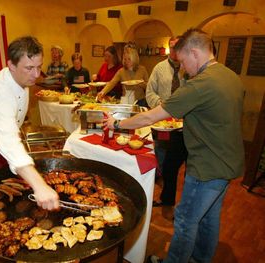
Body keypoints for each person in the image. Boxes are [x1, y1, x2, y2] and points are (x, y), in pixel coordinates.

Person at [103, 28, 244, 263]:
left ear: (195, 52)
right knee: (209, 219)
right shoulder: (231, 76)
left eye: (183, 61)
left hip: (206, 167)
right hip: (229, 162)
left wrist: (117, 124)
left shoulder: (199, 84)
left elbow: (150, 117)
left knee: (185, 220)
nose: (182, 68)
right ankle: (199, 260)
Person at [0, 36, 59, 211]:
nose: (36, 74)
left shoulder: (22, 77)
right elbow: (6, 139)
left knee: (14, 184)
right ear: (11, 65)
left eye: (39, 67)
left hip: (0, 142)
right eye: (30, 68)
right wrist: (39, 185)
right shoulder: (0, 93)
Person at [146, 37, 188, 207]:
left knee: (181, 167)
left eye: (177, 47)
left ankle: (183, 203)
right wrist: (163, 106)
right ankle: (164, 193)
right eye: (171, 47)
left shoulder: (189, 70)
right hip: (163, 121)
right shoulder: (159, 68)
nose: (174, 51)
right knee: (163, 158)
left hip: (184, 124)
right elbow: (149, 93)